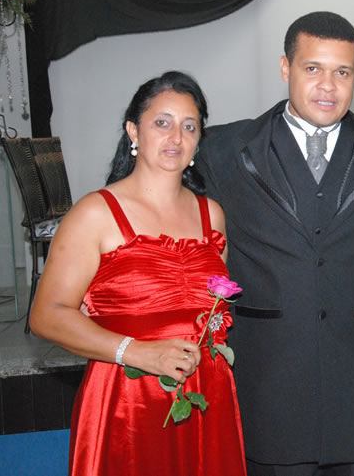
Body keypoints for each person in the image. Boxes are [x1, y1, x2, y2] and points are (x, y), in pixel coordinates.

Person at [196, 11, 354, 476]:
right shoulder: (224, 150)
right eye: (313, 68)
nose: (328, 86)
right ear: (285, 68)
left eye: (342, 72)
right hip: (267, 376)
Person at [29, 71, 246, 476]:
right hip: (127, 401)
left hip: (205, 396)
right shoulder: (95, 213)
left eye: (189, 126)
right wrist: (136, 351)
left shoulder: (211, 215)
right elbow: (46, 315)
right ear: (133, 130)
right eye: (162, 123)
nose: (176, 137)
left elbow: (214, 315)